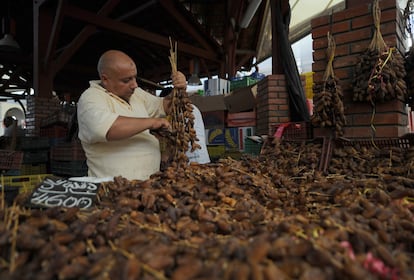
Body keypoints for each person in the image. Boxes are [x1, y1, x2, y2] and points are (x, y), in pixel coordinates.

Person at [77, 50, 187, 181]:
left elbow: (167, 106)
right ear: (105, 79)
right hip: (113, 189)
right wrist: (152, 122)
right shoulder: (91, 98)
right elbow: (108, 128)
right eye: (126, 80)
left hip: (148, 185)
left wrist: (179, 88)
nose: (134, 85)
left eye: (134, 77)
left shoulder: (137, 94)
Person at [159, 88, 210, 164]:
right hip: (201, 157)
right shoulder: (191, 108)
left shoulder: (180, 111)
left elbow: (178, 135)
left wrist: (166, 154)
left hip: (192, 159)